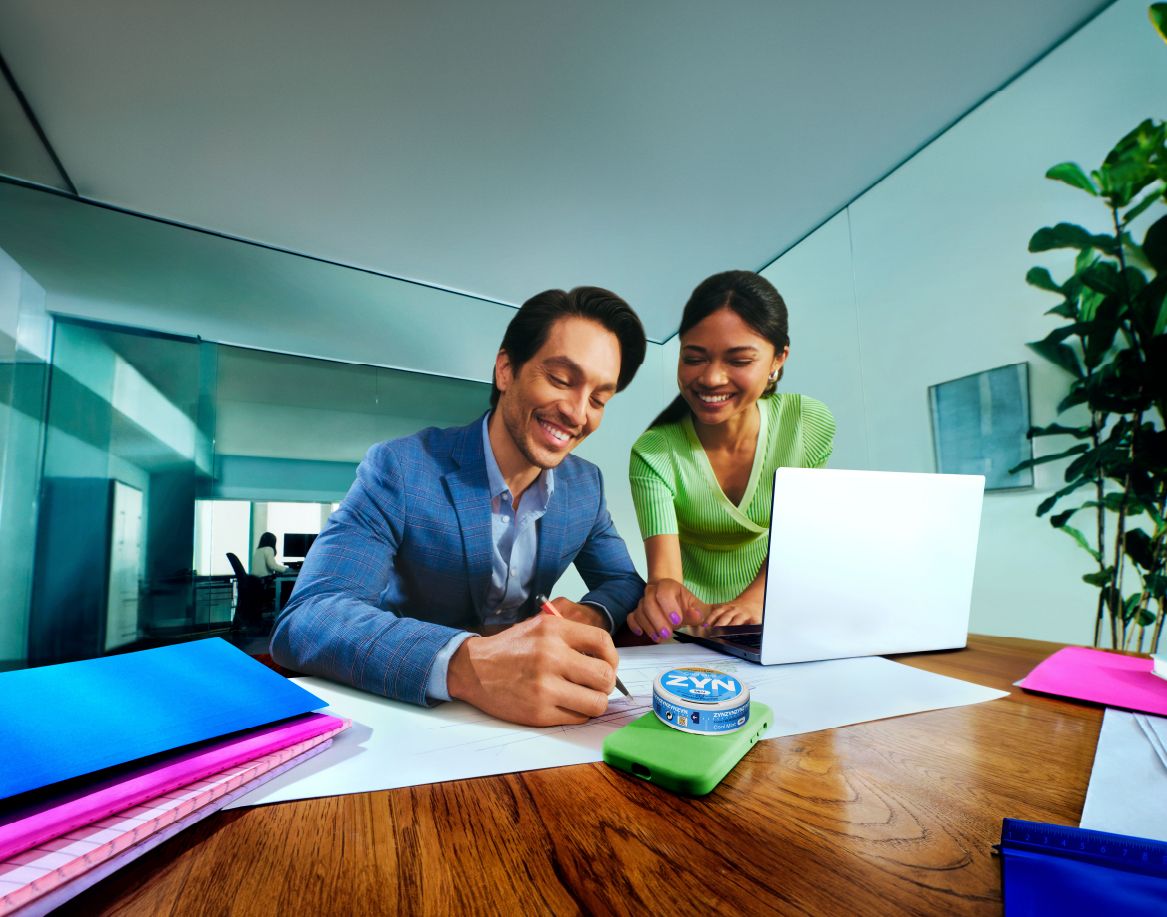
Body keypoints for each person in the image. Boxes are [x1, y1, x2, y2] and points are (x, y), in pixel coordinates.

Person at [271, 287, 647, 727]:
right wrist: (467, 663)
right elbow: (309, 618)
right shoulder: (401, 468)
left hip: (534, 720)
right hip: (413, 711)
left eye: (599, 398)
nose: (578, 413)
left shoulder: (586, 485)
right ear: (506, 370)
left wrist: (591, 612)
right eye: (562, 380)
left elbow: (622, 581)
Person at [626, 270, 835, 642]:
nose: (712, 379)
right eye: (694, 358)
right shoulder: (654, 452)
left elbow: (798, 536)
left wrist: (755, 601)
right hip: (694, 626)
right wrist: (667, 599)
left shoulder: (808, 423)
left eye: (738, 360)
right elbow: (667, 577)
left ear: (778, 359)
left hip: (776, 611)